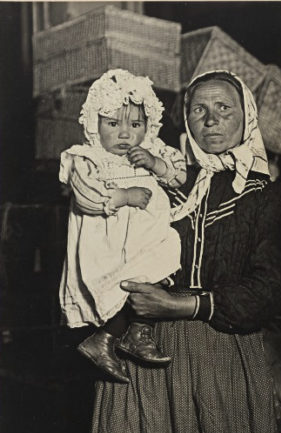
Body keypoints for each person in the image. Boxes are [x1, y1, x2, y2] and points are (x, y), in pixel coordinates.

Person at [79, 70, 281, 433]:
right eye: (198, 110)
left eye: (224, 107)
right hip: (144, 354)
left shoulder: (266, 196)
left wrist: (182, 303)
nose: (212, 119)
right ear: (184, 121)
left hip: (219, 352)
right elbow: (96, 183)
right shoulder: (166, 181)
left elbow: (267, 291)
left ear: (247, 116)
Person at [59, 68, 186, 383]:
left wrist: (156, 164)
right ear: (95, 124)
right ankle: (106, 336)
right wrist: (123, 195)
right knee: (122, 285)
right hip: (109, 242)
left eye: (135, 124)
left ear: (149, 126)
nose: (125, 134)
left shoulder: (153, 151)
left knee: (162, 266)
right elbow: (87, 197)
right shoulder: (87, 158)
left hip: (148, 237)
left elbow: (181, 176)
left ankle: (134, 333)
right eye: (113, 124)